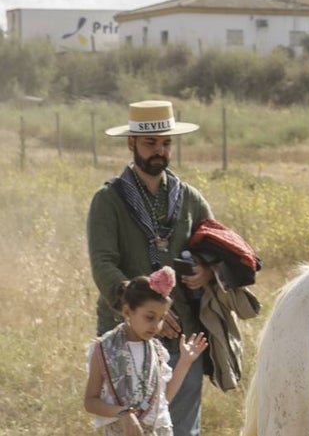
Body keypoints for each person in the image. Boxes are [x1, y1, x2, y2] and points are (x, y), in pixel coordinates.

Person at [87, 101, 215, 436]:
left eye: (166, 143)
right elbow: (103, 264)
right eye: (150, 143)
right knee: (130, 427)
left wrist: (205, 271)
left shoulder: (190, 198)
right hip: (126, 336)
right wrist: (146, 310)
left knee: (182, 429)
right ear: (131, 143)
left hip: (182, 333)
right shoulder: (108, 200)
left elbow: (215, 248)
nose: (159, 151)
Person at [84, 268, 209, 436]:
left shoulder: (157, 352)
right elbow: (90, 402)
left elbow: (163, 399)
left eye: (162, 318)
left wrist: (184, 362)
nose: (156, 326)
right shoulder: (104, 349)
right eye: (150, 317)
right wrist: (123, 413)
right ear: (128, 312)